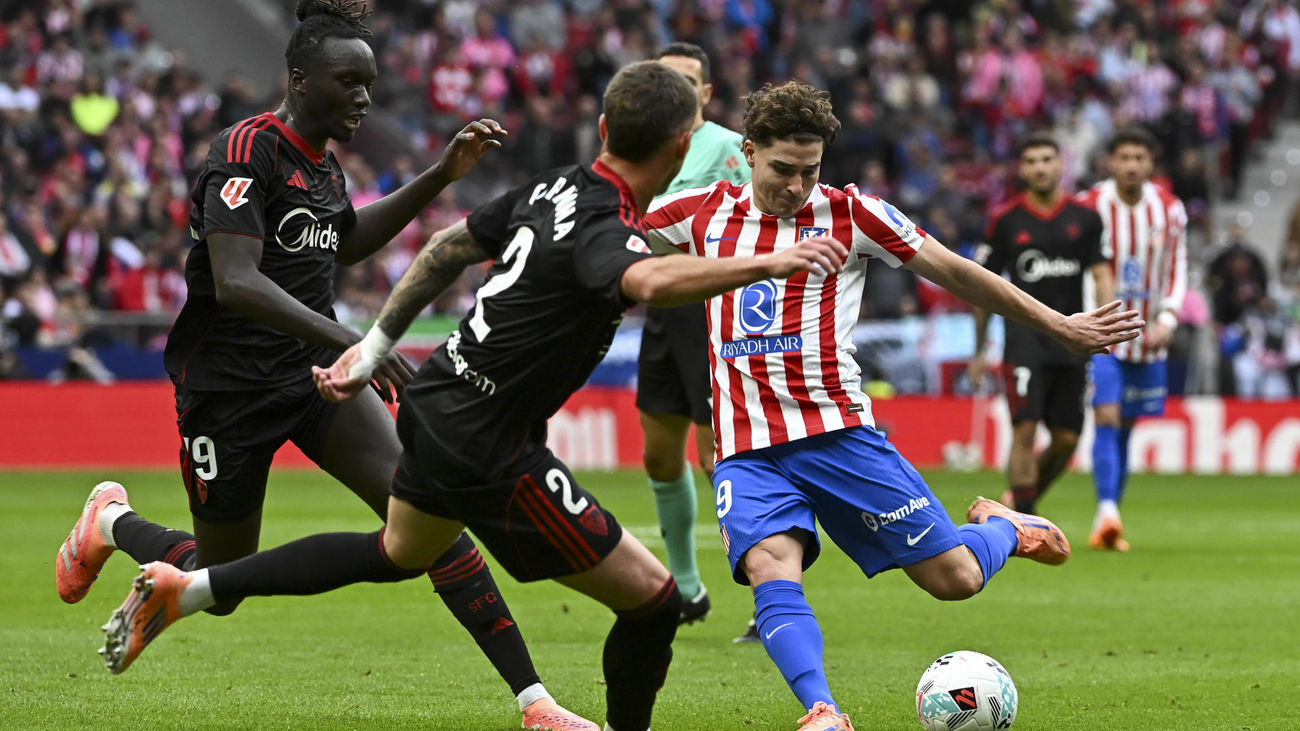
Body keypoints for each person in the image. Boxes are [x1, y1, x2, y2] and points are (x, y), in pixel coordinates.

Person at [97, 61, 848, 731]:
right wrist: (767, 263)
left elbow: (446, 246)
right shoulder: (604, 228)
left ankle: (188, 587)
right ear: (683, 149)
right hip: (489, 440)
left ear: (602, 127)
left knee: (397, 550)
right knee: (653, 601)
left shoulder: (554, 186)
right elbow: (647, 279)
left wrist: (376, 346)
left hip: (438, 400)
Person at [56, 3, 592, 728]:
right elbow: (238, 280)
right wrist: (361, 344)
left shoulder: (323, 165)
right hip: (229, 390)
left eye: (369, 84)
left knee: (427, 515)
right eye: (349, 82)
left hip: (315, 377)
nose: (363, 98)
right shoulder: (247, 149)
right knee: (222, 580)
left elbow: (344, 244)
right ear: (301, 79)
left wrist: (441, 173)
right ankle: (110, 520)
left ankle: (536, 704)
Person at [642, 81, 1142, 731]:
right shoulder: (698, 213)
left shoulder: (853, 215)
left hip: (839, 436)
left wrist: (1059, 323)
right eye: (782, 170)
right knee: (771, 565)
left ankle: (1005, 527)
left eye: (810, 171)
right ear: (748, 152)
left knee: (954, 579)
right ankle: (822, 709)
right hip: (745, 446)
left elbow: (957, 270)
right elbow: (607, 243)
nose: (796, 186)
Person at [637, 42, 750, 627]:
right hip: (661, 309)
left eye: (688, 81)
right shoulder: (643, 144)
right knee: (659, 453)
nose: (677, 90)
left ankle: (770, 594)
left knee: (720, 459)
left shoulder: (730, 149)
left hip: (710, 313)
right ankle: (687, 588)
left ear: (706, 92)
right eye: (667, 79)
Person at [968, 133, 1115, 516]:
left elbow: (1102, 275)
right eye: (1031, 161)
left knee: (1067, 440)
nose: (1039, 167)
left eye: (1047, 159)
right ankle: (1025, 525)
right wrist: (979, 350)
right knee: (1025, 430)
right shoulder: (1006, 220)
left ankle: (1021, 503)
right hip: (1024, 341)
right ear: (1022, 168)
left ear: (1060, 165)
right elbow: (981, 286)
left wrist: (1106, 325)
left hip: (1073, 341)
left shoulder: (1085, 220)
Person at [1076, 127, 1187, 551]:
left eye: (1139, 157)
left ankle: (1109, 518)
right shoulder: (1090, 206)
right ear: (1111, 162)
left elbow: (1178, 265)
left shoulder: (1169, 209)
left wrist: (1169, 318)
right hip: (1102, 332)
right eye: (1124, 157)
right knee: (1105, 416)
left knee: (1125, 425)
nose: (1132, 165)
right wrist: (1085, 322)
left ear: (1150, 163)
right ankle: (1107, 511)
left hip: (1148, 335)